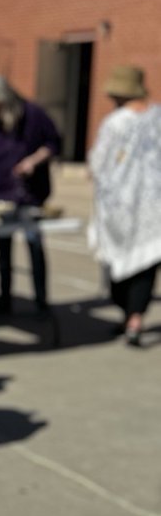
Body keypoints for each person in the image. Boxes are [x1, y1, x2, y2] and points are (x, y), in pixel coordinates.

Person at [0, 74, 61, 316]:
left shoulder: (33, 114)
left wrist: (33, 161)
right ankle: (4, 298)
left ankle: (41, 301)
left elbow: (53, 143)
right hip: (1, 193)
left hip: (30, 192)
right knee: (3, 247)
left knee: (34, 244)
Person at [88, 64, 161, 347]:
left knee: (118, 261)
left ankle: (128, 315)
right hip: (154, 204)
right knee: (146, 262)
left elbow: (99, 161)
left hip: (120, 204)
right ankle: (135, 317)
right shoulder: (158, 117)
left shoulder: (115, 123)